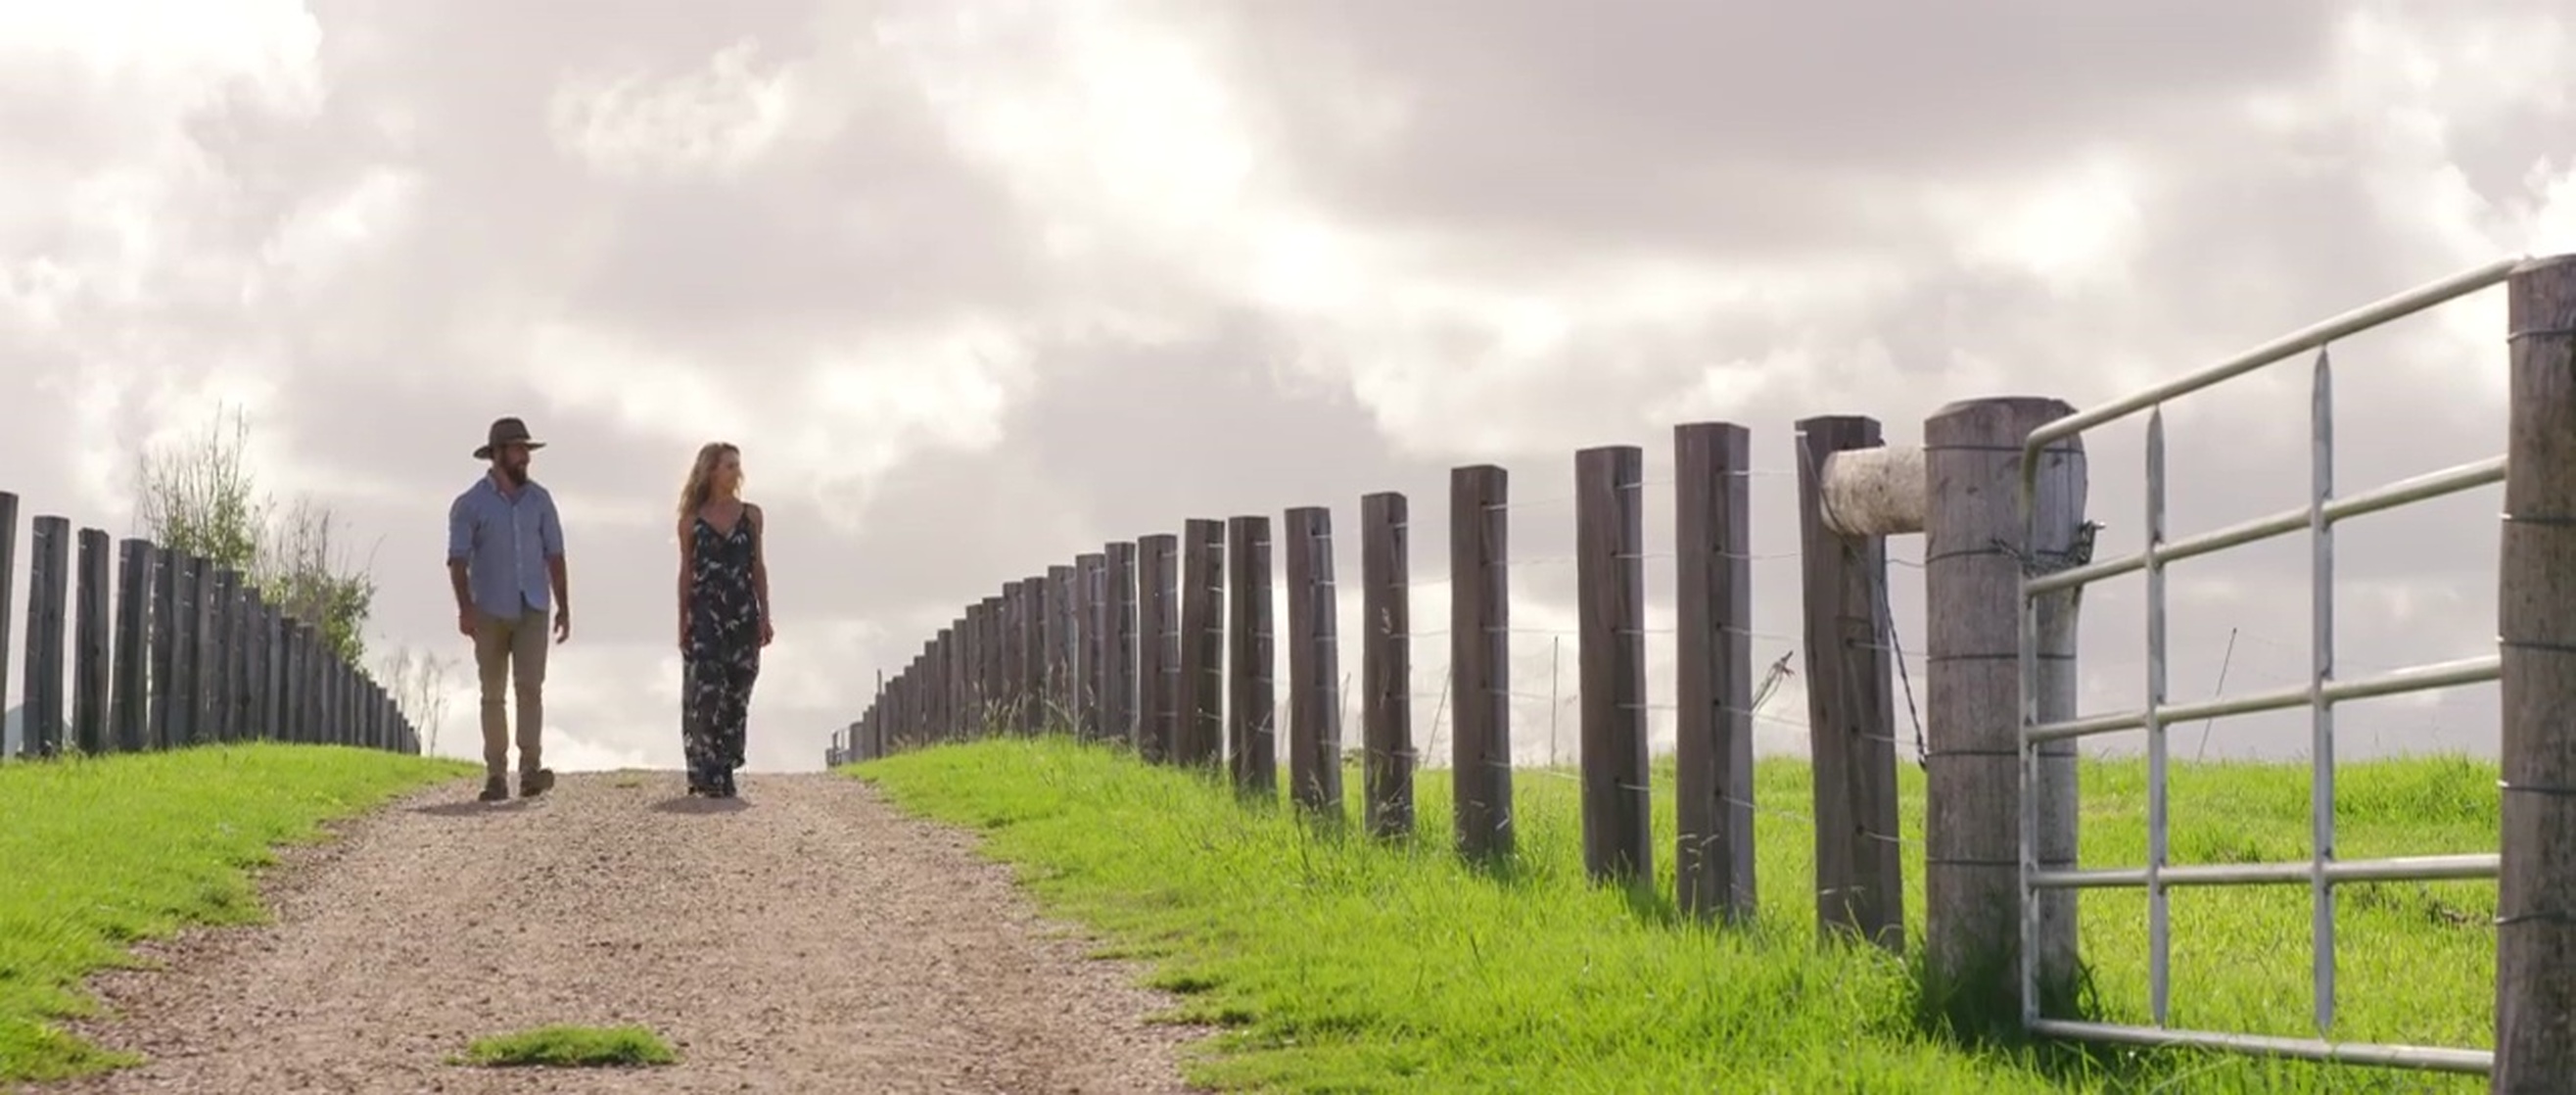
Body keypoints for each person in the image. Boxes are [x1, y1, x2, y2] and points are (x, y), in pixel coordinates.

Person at [446, 416, 572, 803]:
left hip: (533, 604)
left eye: (526, 451)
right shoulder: (470, 505)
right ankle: (496, 774)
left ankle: (531, 769)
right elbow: (457, 561)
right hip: (489, 609)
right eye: (518, 451)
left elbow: (555, 555)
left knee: (530, 688)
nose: (525, 459)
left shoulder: (541, 501)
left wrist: (564, 606)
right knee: (492, 693)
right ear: (498, 455)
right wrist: (465, 608)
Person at [677, 441, 771, 797]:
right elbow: (686, 572)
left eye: (737, 465)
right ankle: (706, 767)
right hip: (705, 614)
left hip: (742, 612)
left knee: (738, 689)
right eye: (728, 466)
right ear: (711, 471)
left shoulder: (752, 516)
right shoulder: (691, 522)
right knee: (706, 691)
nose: (736, 472)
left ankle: (727, 764)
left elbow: (758, 567)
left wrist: (764, 614)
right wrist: (682, 620)